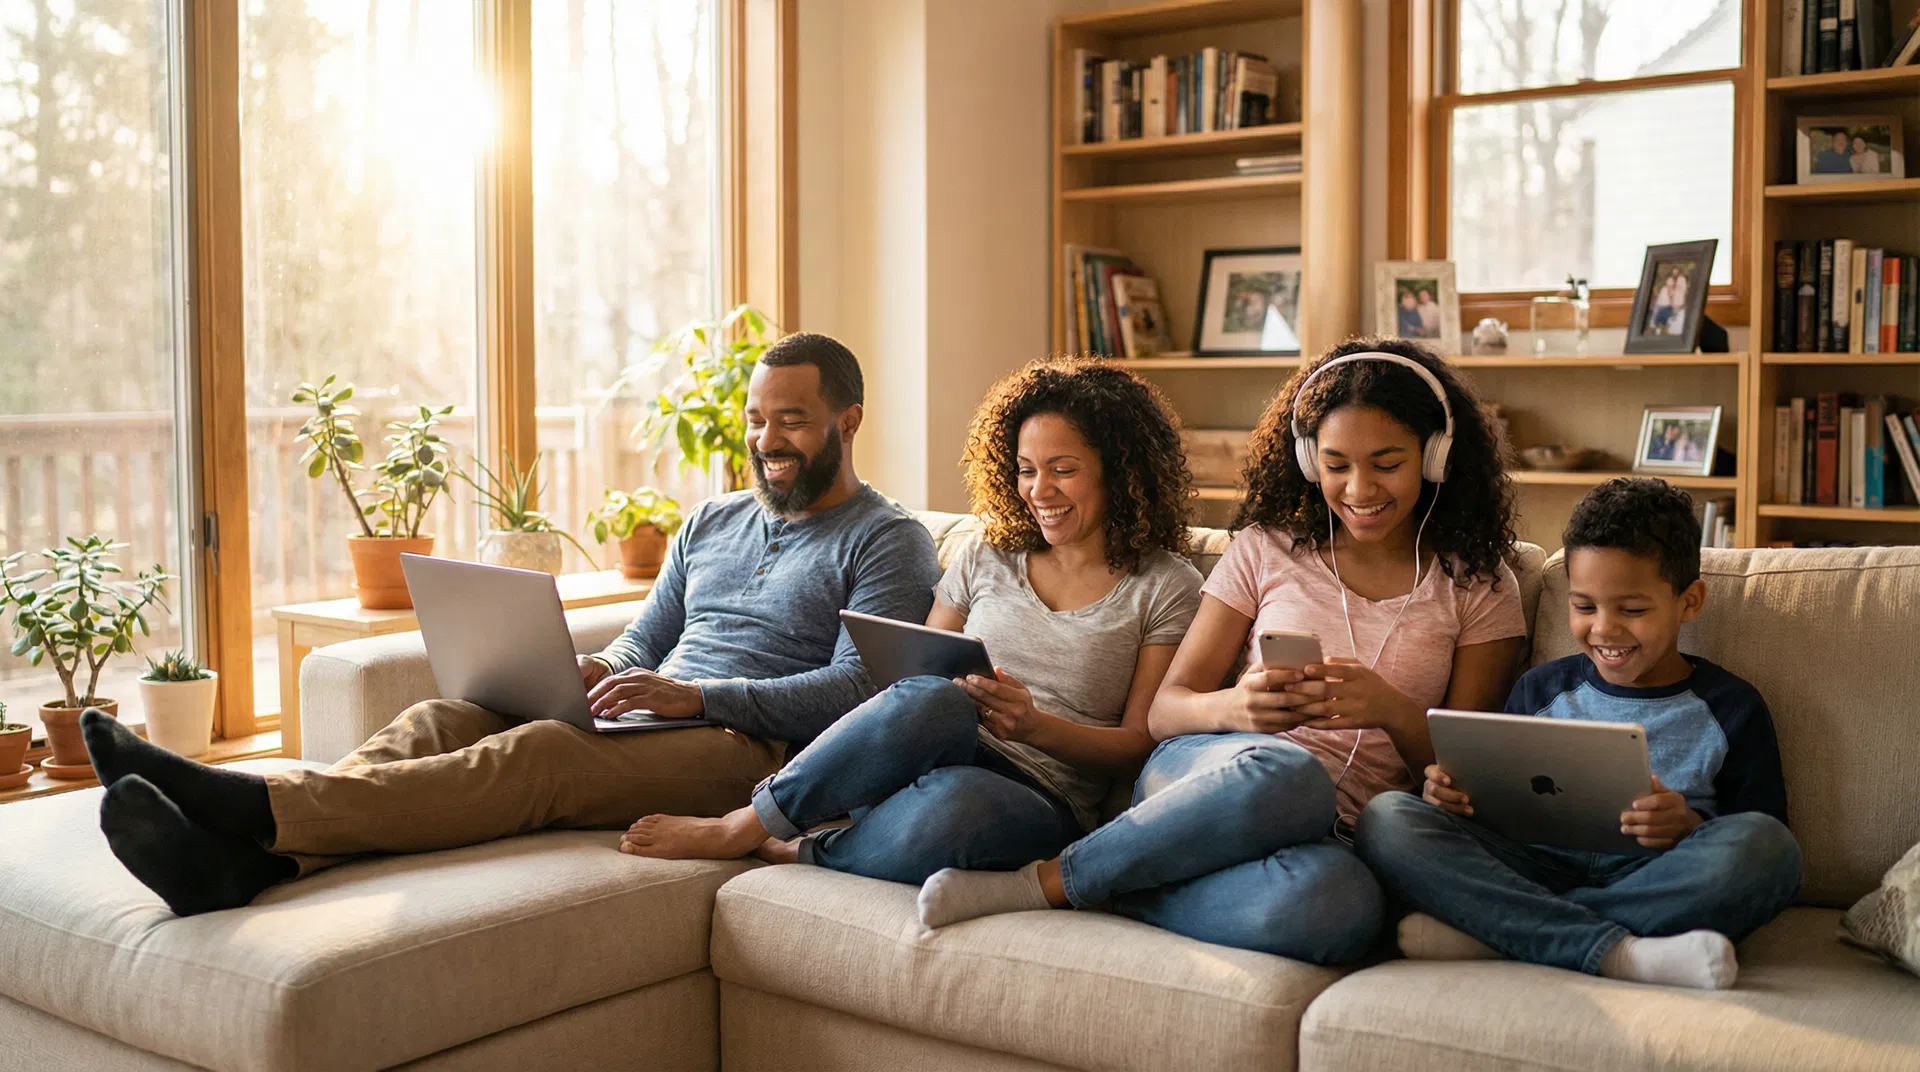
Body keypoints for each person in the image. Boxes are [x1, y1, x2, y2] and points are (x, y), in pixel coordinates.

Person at [81, 332, 944, 916]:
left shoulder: (886, 539)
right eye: (757, 419)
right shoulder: (711, 521)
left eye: (790, 418)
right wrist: (602, 671)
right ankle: (253, 863)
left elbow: (863, 694)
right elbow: (649, 635)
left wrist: (698, 697)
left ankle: (247, 804)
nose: (767, 439)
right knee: (440, 719)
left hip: (747, 753)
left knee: (540, 757)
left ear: (848, 420)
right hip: (652, 712)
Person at [916, 339, 1528, 965]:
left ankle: (1120, 890)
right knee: (1290, 775)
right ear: (1310, 461)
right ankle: (1045, 883)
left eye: (1386, 462)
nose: (1358, 487)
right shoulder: (1266, 548)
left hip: (1339, 830)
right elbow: (1165, 714)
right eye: (1337, 463)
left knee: (1341, 910)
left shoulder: (1479, 585)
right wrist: (1239, 707)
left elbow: (1464, 774)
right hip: (1215, 771)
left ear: (1435, 457)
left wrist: (1394, 711)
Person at [621, 359, 1202, 886]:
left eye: (1063, 469)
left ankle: (803, 850)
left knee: (954, 810)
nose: (1039, 491)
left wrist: (1033, 726)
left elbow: (1137, 745)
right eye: (1025, 470)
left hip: (1038, 791)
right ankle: (743, 827)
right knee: (935, 698)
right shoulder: (987, 556)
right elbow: (910, 672)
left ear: (1120, 470)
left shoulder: (1167, 586)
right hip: (931, 744)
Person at [1357, 478, 1802, 991]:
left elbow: (1766, 832)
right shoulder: (1540, 689)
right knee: (1386, 817)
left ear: (1689, 601)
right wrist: (1450, 798)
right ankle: (1619, 951)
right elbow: (1495, 806)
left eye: (1632, 610)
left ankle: (1502, 932)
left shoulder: (1732, 707)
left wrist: (1689, 825)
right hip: (1530, 868)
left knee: (1770, 850)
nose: (1605, 630)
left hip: (1652, 877)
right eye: (1585, 607)